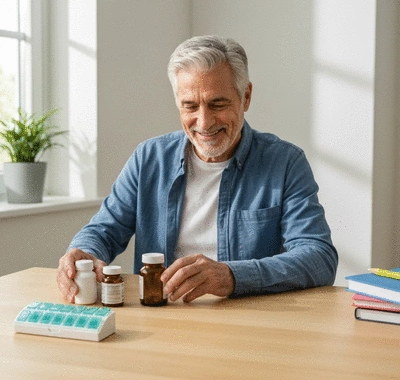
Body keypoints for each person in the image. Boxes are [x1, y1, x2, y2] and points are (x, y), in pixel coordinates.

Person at [57, 35, 338, 303]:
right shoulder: (148, 158)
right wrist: (83, 251)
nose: (203, 123)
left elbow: (319, 257)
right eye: (190, 106)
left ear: (246, 97)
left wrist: (233, 276)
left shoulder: (285, 163)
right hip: (161, 316)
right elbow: (104, 230)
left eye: (218, 104)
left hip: (248, 323)